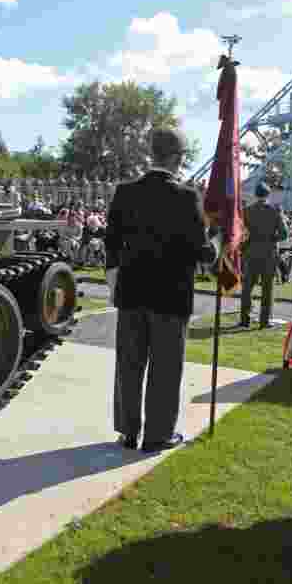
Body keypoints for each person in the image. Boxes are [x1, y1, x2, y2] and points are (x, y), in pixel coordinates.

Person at [105, 127, 218, 452]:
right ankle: (157, 434)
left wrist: (115, 282)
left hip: (131, 292)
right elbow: (201, 250)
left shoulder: (125, 192)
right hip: (170, 295)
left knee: (129, 364)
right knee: (165, 369)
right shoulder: (186, 197)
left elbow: (111, 244)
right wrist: (219, 243)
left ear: (151, 154)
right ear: (177, 158)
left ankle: (127, 431)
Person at [239, 182, 288, 329]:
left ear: (256, 194)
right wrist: (273, 239)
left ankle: (244, 319)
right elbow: (284, 234)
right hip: (268, 253)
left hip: (251, 251)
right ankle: (264, 321)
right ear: (268, 194)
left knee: (247, 288)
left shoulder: (246, 210)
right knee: (267, 289)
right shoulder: (275, 210)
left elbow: (242, 233)